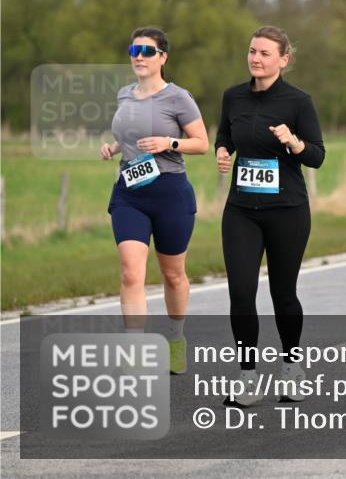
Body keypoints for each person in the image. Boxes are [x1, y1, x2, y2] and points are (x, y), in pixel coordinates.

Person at [216, 26, 326, 406]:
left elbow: (317, 155)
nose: (255, 58)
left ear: (283, 59)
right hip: (241, 210)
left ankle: (292, 367)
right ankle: (247, 377)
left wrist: (294, 143)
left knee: (283, 294)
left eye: (264, 53)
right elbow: (224, 137)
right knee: (241, 293)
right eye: (252, 51)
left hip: (287, 212)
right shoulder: (233, 97)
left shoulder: (298, 102)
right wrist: (222, 152)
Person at [101, 27, 209, 375]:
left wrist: (169, 143)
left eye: (148, 51)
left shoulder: (178, 98)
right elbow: (130, 134)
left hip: (170, 193)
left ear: (163, 57)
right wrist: (114, 147)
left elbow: (201, 142)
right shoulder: (124, 95)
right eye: (135, 49)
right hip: (129, 194)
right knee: (131, 273)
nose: (139, 56)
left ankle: (176, 338)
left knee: (173, 275)